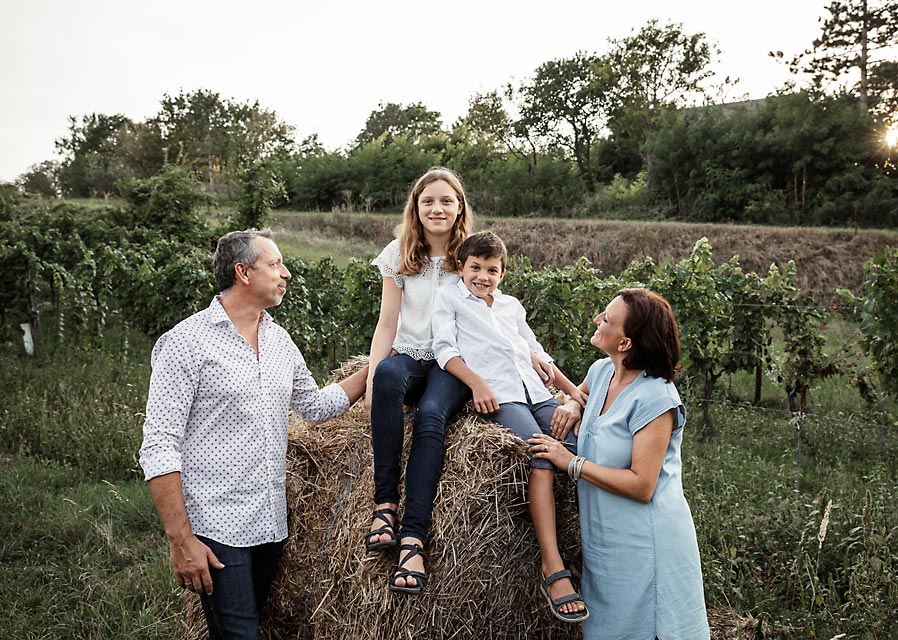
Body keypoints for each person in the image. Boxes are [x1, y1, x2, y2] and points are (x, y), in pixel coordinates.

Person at [139, 229, 368, 640]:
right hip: (215, 526)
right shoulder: (185, 343)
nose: (287, 274)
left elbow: (314, 407)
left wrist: (377, 368)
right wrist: (181, 540)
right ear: (243, 272)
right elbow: (158, 446)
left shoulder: (280, 340)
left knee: (248, 628)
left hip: (270, 524)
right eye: (276, 264)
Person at [529, 289, 710, 639]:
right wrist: (572, 406)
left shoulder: (655, 398)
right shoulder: (601, 372)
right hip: (606, 542)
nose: (597, 319)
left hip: (649, 543)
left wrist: (572, 463)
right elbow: (581, 397)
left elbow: (643, 486)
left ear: (625, 343)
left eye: (607, 319)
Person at [431, 231, 590, 622]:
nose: (483, 276)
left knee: (579, 445)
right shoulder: (450, 297)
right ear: (461, 267)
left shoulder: (511, 306)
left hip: (536, 392)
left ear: (502, 273)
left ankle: (599, 551)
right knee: (540, 453)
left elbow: (536, 353)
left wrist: (574, 395)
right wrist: (477, 383)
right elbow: (444, 349)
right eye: (476, 268)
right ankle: (552, 567)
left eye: (492, 270)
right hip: (501, 394)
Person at [364, 167, 473, 595]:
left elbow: (492, 315)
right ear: (416, 207)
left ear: (460, 206)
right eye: (428, 201)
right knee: (389, 376)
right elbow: (387, 322)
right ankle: (384, 506)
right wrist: (373, 376)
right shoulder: (399, 253)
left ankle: (414, 539)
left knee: (431, 415)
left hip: (453, 364)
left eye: (446, 200)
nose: (437, 208)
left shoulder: (470, 255)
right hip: (410, 356)